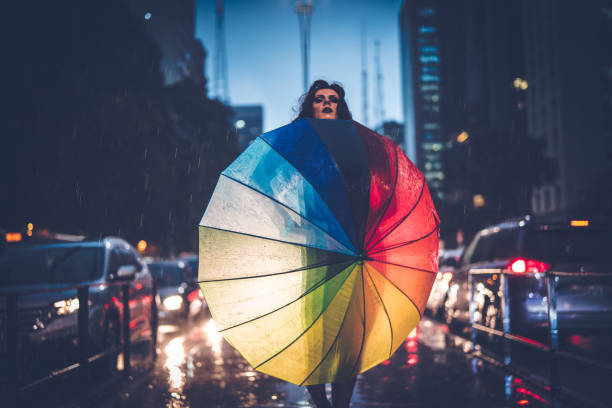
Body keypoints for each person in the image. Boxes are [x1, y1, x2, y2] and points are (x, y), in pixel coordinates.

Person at [294, 79, 357, 408]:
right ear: (312, 107)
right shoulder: (301, 148)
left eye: (333, 99)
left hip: (349, 254)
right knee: (314, 343)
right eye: (321, 99)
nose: (328, 103)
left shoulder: (353, 147)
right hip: (315, 255)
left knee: (348, 343)